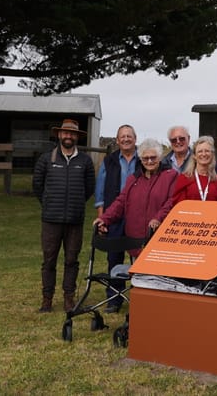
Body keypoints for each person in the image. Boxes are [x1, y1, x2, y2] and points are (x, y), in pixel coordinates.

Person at [32, 118, 96, 313]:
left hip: (75, 221)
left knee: (71, 260)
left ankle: (69, 298)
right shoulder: (46, 159)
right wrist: (49, 203)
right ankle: (47, 299)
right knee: (49, 261)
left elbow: (89, 188)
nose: (69, 136)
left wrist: (75, 204)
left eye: (73, 133)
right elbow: (37, 186)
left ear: (77, 137)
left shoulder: (85, 161)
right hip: (51, 220)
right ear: (59, 135)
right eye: (66, 133)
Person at [94, 137, 177, 264]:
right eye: (145, 158)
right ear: (141, 160)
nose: (149, 161)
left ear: (160, 157)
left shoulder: (171, 176)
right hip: (135, 239)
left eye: (153, 158)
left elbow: (171, 201)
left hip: (160, 238)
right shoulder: (133, 179)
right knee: (137, 273)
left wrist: (158, 218)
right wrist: (104, 219)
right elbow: (120, 203)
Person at [93, 124, 137, 313]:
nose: (126, 139)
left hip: (136, 215)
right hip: (114, 215)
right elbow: (100, 191)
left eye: (129, 136)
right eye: (122, 136)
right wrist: (102, 218)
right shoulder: (109, 161)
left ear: (135, 139)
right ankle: (114, 298)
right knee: (114, 258)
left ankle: (139, 297)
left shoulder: (143, 160)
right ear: (117, 141)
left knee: (137, 258)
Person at [170, 136, 217, 204]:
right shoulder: (184, 179)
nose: (204, 154)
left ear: (212, 155)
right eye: (200, 151)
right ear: (194, 156)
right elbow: (179, 206)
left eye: (207, 151)